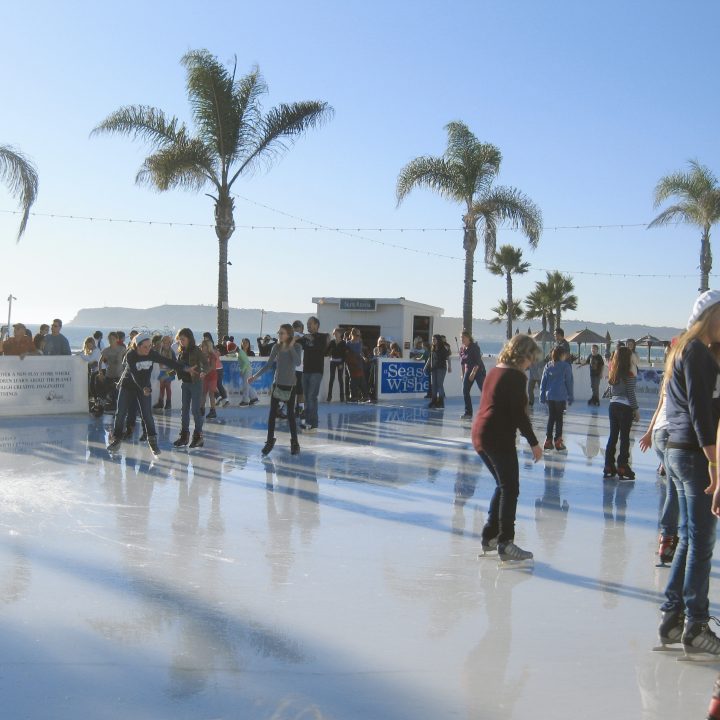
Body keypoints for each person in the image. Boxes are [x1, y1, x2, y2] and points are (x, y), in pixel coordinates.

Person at [657, 291, 720, 658]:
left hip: (682, 453)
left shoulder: (690, 350)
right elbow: (701, 413)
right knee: (702, 541)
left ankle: (671, 616)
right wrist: (715, 467)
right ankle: (695, 624)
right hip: (695, 456)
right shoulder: (695, 352)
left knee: (687, 537)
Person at [471, 334, 543, 563]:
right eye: (531, 358)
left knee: (503, 486)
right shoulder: (515, 376)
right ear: (524, 354)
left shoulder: (495, 370)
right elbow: (518, 414)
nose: (531, 363)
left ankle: (490, 536)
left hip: (481, 434)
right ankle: (506, 543)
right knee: (510, 488)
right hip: (498, 437)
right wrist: (533, 442)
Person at [107, 333, 189, 456]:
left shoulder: (151, 354)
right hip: (128, 386)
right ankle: (117, 439)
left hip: (144, 387)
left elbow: (168, 361)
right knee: (120, 413)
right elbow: (134, 375)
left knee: (147, 415)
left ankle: (153, 442)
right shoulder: (131, 355)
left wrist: (184, 368)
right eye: (145, 347)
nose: (148, 349)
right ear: (137, 346)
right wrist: (143, 387)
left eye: (149, 346)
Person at [639, 379, 677, 565]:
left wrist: (649, 433)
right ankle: (668, 536)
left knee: (675, 487)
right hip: (673, 435)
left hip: (659, 434)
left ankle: (670, 535)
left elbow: (659, 408)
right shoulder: (691, 373)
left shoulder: (668, 378)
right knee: (675, 489)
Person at [249, 324, 302, 456]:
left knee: (290, 414)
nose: (279, 335)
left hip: (290, 385)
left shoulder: (296, 346)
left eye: (282, 333)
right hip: (277, 384)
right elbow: (268, 365)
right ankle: (269, 441)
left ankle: (294, 443)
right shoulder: (276, 347)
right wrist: (255, 377)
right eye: (279, 333)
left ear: (289, 334)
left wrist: (290, 347)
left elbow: (297, 362)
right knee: (272, 414)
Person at [602, 346, 639, 480]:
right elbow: (630, 392)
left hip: (613, 406)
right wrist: (636, 409)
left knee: (613, 436)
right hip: (625, 407)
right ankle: (622, 465)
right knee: (624, 438)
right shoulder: (629, 372)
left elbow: (611, 391)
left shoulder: (614, 371)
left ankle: (608, 465)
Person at [172, 328, 208, 449]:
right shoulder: (182, 351)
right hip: (185, 383)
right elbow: (179, 366)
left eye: (183, 339)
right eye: (180, 340)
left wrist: (204, 372)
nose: (181, 342)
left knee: (195, 410)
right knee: (184, 410)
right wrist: (171, 371)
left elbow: (206, 364)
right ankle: (184, 436)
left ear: (189, 339)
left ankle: (198, 436)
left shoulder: (196, 350)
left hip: (195, 383)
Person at [539, 347, 574, 451]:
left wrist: (542, 395)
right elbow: (569, 382)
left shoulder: (548, 365)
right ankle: (558, 441)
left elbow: (543, 382)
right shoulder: (566, 366)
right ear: (561, 355)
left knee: (551, 418)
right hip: (560, 396)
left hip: (550, 396)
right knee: (559, 418)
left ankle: (548, 440)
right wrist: (570, 396)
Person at [299, 316, 328, 432]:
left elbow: (321, 349)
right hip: (305, 371)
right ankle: (309, 422)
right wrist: (299, 335)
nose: (308, 326)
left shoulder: (322, 337)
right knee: (307, 397)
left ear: (316, 325)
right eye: (307, 324)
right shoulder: (305, 338)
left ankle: (312, 423)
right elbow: (294, 341)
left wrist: (309, 338)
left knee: (311, 396)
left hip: (316, 371)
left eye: (310, 323)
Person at [459, 331, 486, 420]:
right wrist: (462, 375)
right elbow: (462, 363)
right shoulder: (462, 348)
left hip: (478, 370)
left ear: (468, 338)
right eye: (461, 337)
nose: (461, 339)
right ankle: (468, 413)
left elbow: (478, 361)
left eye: (463, 337)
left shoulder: (474, 347)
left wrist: (473, 373)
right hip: (469, 370)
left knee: (484, 391)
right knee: (465, 390)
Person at [425, 334, 450, 409]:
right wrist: (425, 366)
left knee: (439, 384)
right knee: (434, 385)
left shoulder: (443, 349)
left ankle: (441, 402)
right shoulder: (433, 348)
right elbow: (430, 358)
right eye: (432, 339)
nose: (433, 341)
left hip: (441, 368)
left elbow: (448, 357)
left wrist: (449, 366)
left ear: (438, 340)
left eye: (434, 339)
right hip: (434, 368)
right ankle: (434, 400)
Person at [153, 335, 176, 412]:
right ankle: (161, 402)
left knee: (167, 386)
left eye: (168, 342)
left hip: (169, 371)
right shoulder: (160, 350)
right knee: (162, 387)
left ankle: (168, 403)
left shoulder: (171, 352)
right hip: (163, 371)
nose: (166, 343)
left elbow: (175, 363)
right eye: (164, 342)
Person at [326, 327, 346, 402]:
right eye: (334, 333)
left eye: (336, 333)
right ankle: (329, 396)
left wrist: (342, 363)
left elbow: (344, 354)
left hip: (340, 361)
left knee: (340, 379)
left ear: (340, 334)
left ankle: (342, 397)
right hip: (333, 361)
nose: (334, 334)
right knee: (331, 378)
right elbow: (327, 351)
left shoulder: (343, 343)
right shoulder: (332, 342)